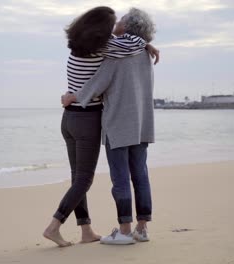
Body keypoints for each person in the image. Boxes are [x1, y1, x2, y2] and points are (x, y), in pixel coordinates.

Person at [43, 6, 159, 247]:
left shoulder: (96, 51)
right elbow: (131, 49)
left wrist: (72, 97)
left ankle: (118, 230)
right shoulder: (137, 53)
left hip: (103, 123)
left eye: (119, 22)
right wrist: (147, 44)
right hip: (138, 124)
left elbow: (98, 83)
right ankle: (141, 228)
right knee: (140, 175)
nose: (114, 27)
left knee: (110, 179)